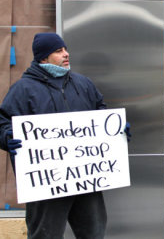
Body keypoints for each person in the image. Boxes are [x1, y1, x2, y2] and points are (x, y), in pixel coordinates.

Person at [0, 33, 116, 239]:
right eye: (58, 51)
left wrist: (116, 130)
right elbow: (3, 122)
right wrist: (7, 137)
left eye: (65, 49)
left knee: (94, 232)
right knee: (45, 235)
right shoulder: (23, 89)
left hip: (85, 178)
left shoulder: (83, 83)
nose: (66, 54)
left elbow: (101, 111)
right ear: (43, 57)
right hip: (46, 183)